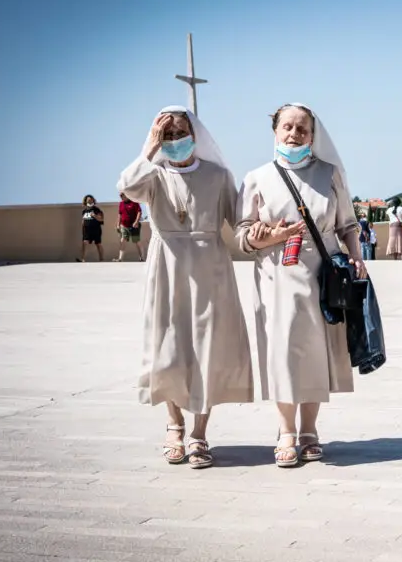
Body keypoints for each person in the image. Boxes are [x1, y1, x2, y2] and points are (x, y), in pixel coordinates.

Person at [119, 105, 253, 469]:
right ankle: (174, 425)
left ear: (195, 135)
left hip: (210, 268)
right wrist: (149, 148)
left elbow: (240, 221)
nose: (175, 140)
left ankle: (199, 433)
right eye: (168, 135)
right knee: (169, 348)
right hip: (168, 267)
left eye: (181, 133)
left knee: (208, 349)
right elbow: (127, 187)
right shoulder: (153, 174)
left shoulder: (217, 175)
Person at [236, 102, 366, 468]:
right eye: (288, 127)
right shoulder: (256, 178)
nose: (294, 134)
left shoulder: (329, 174)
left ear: (312, 136)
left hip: (322, 273)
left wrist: (357, 257)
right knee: (281, 351)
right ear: (275, 131)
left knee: (315, 351)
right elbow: (242, 235)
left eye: (302, 129)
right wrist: (265, 236)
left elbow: (347, 224)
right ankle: (285, 431)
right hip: (277, 274)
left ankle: (309, 430)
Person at [115, 193, 144, 262]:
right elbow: (120, 214)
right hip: (124, 226)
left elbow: (139, 212)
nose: (122, 197)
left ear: (127, 195)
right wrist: (118, 224)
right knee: (122, 240)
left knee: (136, 241)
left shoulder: (134, 202)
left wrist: (136, 222)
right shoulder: (121, 204)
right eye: (121, 196)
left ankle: (142, 257)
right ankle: (120, 258)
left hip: (134, 226)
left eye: (123, 196)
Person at [78, 195, 104, 262]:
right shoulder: (84, 211)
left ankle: (101, 259)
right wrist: (82, 228)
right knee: (84, 243)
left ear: (93, 200)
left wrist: (94, 216)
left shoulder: (97, 209)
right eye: (88, 200)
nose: (89, 201)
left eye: (91, 200)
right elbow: (83, 220)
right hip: (86, 230)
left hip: (96, 230)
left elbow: (101, 219)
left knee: (98, 244)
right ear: (85, 201)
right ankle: (82, 259)